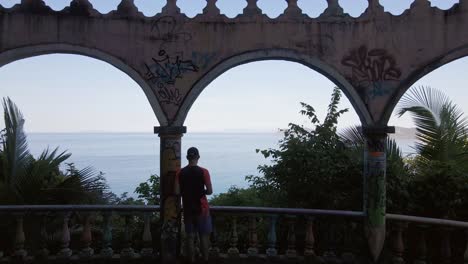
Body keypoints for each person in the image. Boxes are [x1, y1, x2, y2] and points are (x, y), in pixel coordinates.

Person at [175, 147, 213, 263]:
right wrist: (202, 192)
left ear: (187, 158)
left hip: (188, 208)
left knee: (190, 237)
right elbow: (210, 191)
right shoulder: (204, 171)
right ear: (198, 157)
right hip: (202, 208)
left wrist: (187, 192)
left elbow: (176, 192)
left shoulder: (180, 172)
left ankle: (191, 260)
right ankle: (205, 259)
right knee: (203, 237)